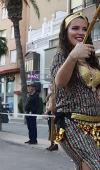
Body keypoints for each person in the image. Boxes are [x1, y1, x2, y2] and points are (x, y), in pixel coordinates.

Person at [50, 12, 100, 170]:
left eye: (85, 29)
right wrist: (72, 56)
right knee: (95, 163)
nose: (81, 32)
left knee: (87, 164)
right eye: (75, 28)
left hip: (96, 123)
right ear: (65, 33)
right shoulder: (61, 57)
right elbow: (60, 82)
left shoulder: (92, 59)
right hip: (71, 122)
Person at [44, 82, 58, 151]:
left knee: (53, 129)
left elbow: (52, 105)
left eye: (51, 86)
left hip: (53, 113)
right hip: (50, 113)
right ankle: (52, 144)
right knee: (50, 129)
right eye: (49, 86)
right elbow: (47, 104)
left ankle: (55, 144)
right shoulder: (50, 95)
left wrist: (47, 110)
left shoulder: (54, 95)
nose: (50, 87)